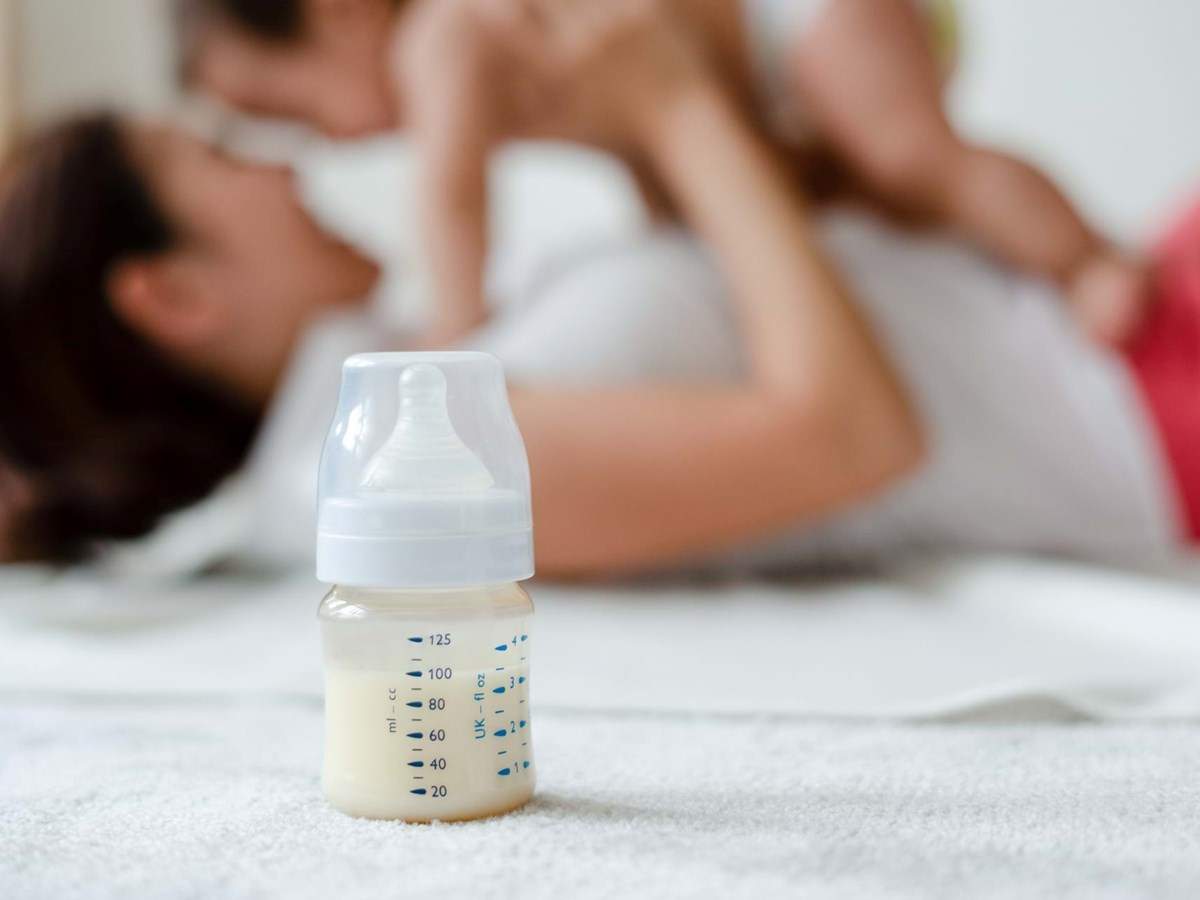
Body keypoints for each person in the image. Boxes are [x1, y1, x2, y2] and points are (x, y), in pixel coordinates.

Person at [0, 3, 1185, 575]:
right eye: (224, 157)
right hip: (1138, 407)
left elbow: (764, 280)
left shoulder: (407, 374)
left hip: (1113, 326)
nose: (284, 162)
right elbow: (856, 435)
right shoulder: (391, 478)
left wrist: (645, 117)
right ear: (175, 296)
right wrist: (673, 106)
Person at [174, 0, 1148, 346]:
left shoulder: (440, 34)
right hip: (748, 81)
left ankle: (1087, 258)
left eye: (294, 112)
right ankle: (1017, 278)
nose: (321, 145)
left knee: (911, 156)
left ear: (340, 11)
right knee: (858, 195)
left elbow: (453, 198)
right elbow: (635, 136)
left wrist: (456, 332)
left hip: (790, 18)